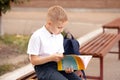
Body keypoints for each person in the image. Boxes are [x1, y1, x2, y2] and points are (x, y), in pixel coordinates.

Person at [27, 5, 82, 80]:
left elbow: (60, 57)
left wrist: (67, 67)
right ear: (49, 24)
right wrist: (50, 58)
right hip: (43, 68)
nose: (62, 30)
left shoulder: (59, 36)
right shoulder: (37, 36)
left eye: (63, 27)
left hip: (58, 66)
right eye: (59, 27)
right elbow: (33, 60)